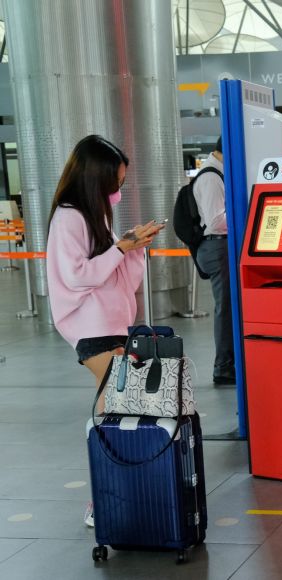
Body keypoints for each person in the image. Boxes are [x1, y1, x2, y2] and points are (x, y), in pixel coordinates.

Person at [46, 134, 164, 526]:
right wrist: (120, 249)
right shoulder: (69, 217)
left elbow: (121, 277)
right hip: (90, 326)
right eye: (115, 182)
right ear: (95, 177)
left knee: (117, 402)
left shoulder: (96, 214)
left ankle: (115, 491)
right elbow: (77, 276)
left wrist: (134, 247)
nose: (118, 190)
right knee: (113, 403)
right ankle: (103, 498)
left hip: (112, 323)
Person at [192, 137, 235, 384]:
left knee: (229, 306)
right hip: (216, 246)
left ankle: (230, 363)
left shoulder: (219, 173)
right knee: (226, 307)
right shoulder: (211, 177)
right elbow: (217, 221)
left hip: (220, 245)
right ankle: (223, 367)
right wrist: (242, 214)